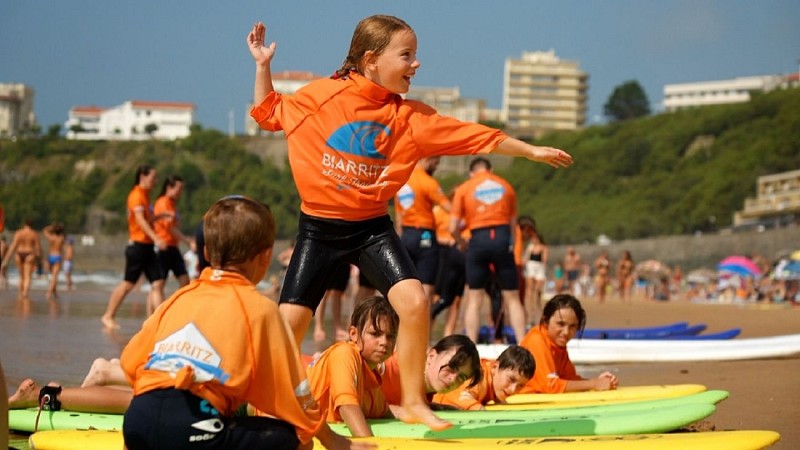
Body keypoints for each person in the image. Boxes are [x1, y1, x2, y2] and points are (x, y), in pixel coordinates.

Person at [247, 16, 572, 431]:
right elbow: (267, 112)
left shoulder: (409, 119)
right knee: (288, 326)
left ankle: (416, 400)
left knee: (415, 303)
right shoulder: (320, 97)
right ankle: (264, 406)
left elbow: (475, 136)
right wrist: (262, 66)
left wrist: (530, 151)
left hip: (371, 228)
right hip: (319, 230)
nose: (416, 64)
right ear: (371, 60)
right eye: (406, 55)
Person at [120, 195, 371, 450]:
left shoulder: (177, 298)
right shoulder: (260, 309)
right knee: (298, 440)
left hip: (137, 419)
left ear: (206, 252)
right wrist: (334, 441)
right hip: (193, 427)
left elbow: (130, 363)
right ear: (266, 257)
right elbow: (294, 392)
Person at [450, 157, 528, 345]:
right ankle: (523, 343)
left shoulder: (464, 188)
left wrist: (461, 243)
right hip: (501, 238)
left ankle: (471, 344)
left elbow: (452, 227)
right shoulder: (506, 186)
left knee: (474, 297)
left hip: (478, 239)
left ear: (471, 173)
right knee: (512, 297)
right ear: (490, 169)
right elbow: (513, 224)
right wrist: (510, 245)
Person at [306, 296, 397, 437]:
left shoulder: (372, 380)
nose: (384, 342)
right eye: (375, 334)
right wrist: (372, 445)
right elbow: (347, 406)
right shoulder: (344, 354)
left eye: (390, 336)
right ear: (353, 334)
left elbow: (388, 415)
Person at [101, 165, 166, 330]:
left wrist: (159, 217)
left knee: (158, 282)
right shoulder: (136, 195)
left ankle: (159, 321)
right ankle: (108, 315)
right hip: (137, 245)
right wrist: (156, 238)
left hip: (148, 246)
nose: (156, 181)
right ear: (142, 177)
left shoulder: (145, 195)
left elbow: (147, 218)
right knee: (128, 284)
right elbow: (140, 220)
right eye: (153, 177)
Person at [518, 294, 619, 394]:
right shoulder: (537, 340)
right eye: (560, 324)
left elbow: (569, 379)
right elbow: (550, 386)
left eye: (572, 326)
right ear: (545, 321)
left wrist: (598, 381)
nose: (566, 332)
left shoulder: (558, 345)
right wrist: (593, 384)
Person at [394, 156, 451, 304]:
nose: (436, 167)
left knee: (405, 281)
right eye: (436, 163)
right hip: (425, 234)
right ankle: (423, 317)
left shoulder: (402, 182)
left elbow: (399, 217)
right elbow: (448, 207)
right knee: (426, 286)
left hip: (406, 235)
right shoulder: (428, 182)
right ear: (428, 159)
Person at [379, 334, 482, 407]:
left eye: (462, 377)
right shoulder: (390, 367)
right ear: (431, 356)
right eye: (452, 366)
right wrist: (389, 410)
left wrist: (429, 406)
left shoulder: (425, 394)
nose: (453, 379)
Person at [432, 345, 534, 410]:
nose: (513, 390)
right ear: (494, 367)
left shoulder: (493, 380)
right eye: (511, 379)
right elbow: (460, 398)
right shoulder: (479, 379)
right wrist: (482, 412)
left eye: (520, 386)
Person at [153, 174, 192, 289]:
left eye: (182, 189)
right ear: (169, 187)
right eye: (178, 189)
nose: (180, 192)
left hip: (173, 246)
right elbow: (169, 228)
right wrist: (187, 241)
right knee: (159, 283)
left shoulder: (171, 203)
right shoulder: (163, 202)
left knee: (184, 279)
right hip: (163, 246)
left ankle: (179, 300)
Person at [2, 219, 42, 300]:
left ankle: (20, 294)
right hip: (29, 254)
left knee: (21, 276)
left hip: (19, 254)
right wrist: (39, 260)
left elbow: (13, 246)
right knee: (27, 276)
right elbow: (38, 248)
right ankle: (25, 294)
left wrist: (6, 259)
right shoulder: (34, 234)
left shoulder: (19, 233)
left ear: (24, 224)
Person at [520, 217, 547, 324]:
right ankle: (531, 312)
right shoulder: (530, 247)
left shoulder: (543, 247)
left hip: (539, 267)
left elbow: (544, 260)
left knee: (538, 291)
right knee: (530, 290)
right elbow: (526, 258)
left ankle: (537, 306)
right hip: (531, 267)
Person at [42, 222, 66, 299]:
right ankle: (49, 293)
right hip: (57, 256)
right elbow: (64, 232)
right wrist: (58, 227)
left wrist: (51, 227)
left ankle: (54, 292)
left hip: (51, 256)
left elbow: (44, 230)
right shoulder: (61, 238)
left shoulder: (51, 237)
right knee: (54, 277)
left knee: (53, 276)